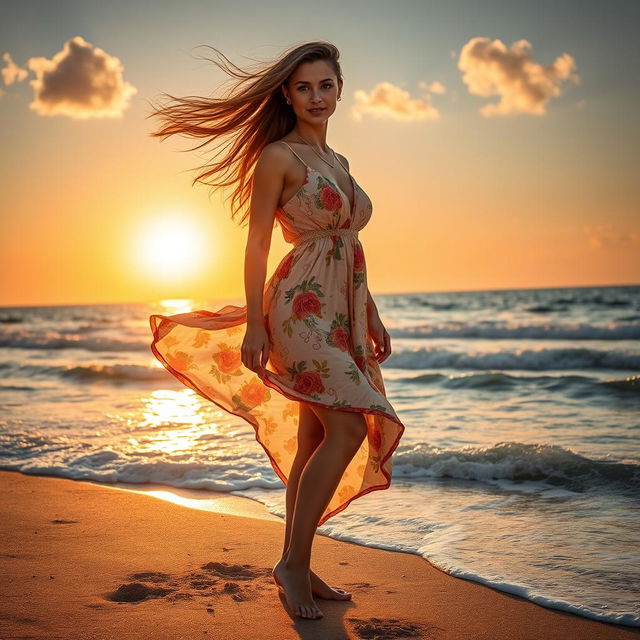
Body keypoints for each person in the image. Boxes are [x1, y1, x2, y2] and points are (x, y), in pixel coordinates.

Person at [147, 41, 406, 620]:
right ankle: (291, 564)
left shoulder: (340, 162)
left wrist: (371, 313)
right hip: (298, 308)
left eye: (326, 86)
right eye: (304, 87)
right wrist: (257, 325)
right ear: (287, 94)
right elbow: (258, 241)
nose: (316, 97)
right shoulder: (278, 157)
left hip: (343, 311)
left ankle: (297, 560)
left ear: (341, 89)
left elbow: (348, 247)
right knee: (349, 432)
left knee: (316, 440)